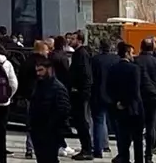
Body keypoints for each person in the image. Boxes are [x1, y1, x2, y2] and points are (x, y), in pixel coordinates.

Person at [27, 52, 72, 163]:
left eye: (41, 70)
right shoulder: (39, 85)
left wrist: (52, 126)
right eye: (37, 71)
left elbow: (63, 110)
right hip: (38, 131)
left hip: (50, 133)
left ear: (49, 69)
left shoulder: (58, 88)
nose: (38, 74)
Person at [108, 42, 145, 163]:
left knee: (123, 136)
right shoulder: (134, 69)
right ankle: (138, 159)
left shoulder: (113, 68)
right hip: (134, 109)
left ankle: (124, 157)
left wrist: (118, 102)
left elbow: (110, 88)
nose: (133, 55)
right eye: (132, 53)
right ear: (127, 53)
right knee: (137, 137)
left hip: (119, 108)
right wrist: (127, 102)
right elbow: (135, 90)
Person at [69, 31, 96, 161]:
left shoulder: (81, 54)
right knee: (79, 122)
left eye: (73, 39)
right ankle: (85, 148)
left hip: (81, 93)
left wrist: (78, 88)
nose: (70, 41)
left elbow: (85, 74)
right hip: (79, 92)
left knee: (82, 121)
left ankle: (87, 149)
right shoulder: (78, 54)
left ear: (79, 40)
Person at [92, 38, 117, 158]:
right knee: (117, 124)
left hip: (99, 94)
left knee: (98, 121)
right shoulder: (116, 59)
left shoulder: (95, 60)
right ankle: (121, 150)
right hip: (113, 95)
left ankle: (98, 149)